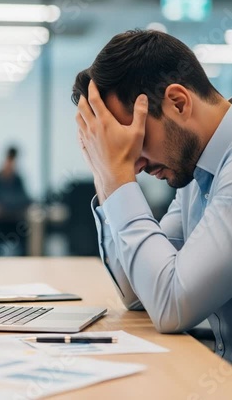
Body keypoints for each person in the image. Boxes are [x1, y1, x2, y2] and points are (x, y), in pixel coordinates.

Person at [72, 29, 232, 363]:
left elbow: (171, 304)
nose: (136, 164)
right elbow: (140, 292)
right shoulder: (194, 170)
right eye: (119, 146)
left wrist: (117, 176)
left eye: (136, 140)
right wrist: (105, 172)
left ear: (178, 103)